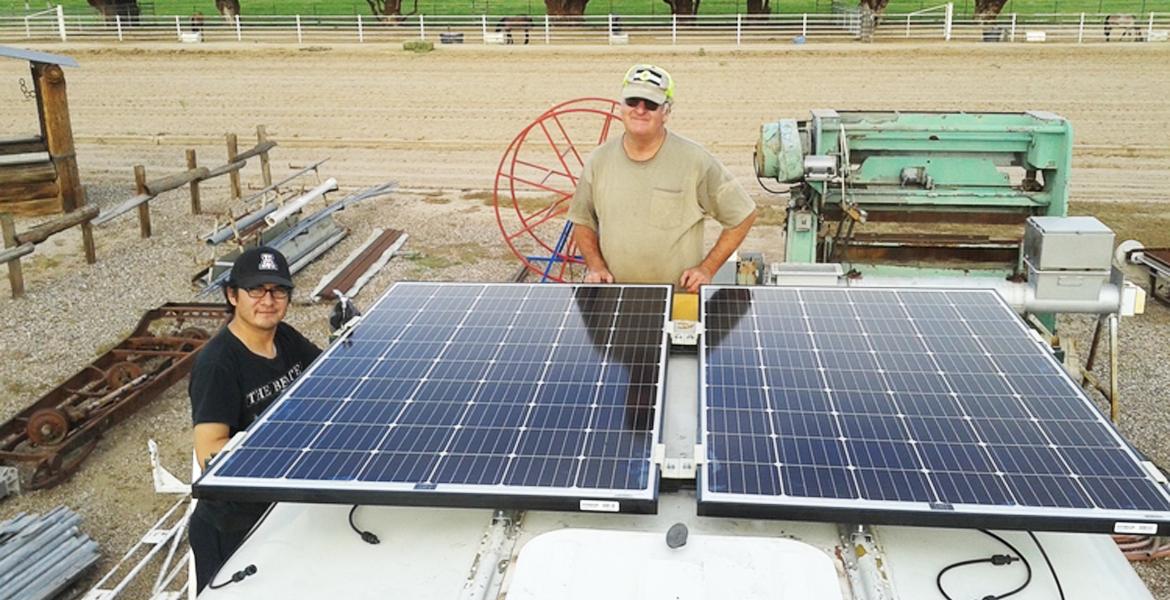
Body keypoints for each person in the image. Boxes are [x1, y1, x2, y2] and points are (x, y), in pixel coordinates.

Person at [188, 246, 321, 593]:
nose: (268, 300)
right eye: (256, 290)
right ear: (232, 295)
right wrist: (285, 451)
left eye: (278, 290)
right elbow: (209, 453)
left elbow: (328, 377)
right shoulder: (218, 365)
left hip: (281, 508)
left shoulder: (286, 338)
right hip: (232, 526)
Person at [567, 64, 757, 293]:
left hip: (677, 300)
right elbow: (582, 220)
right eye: (632, 101)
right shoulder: (599, 161)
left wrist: (707, 269)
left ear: (665, 112)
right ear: (621, 107)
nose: (640, 110)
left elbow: (743, 215)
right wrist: (595, 266)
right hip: (614, 298)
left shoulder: (694, 160)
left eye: (651, 104)